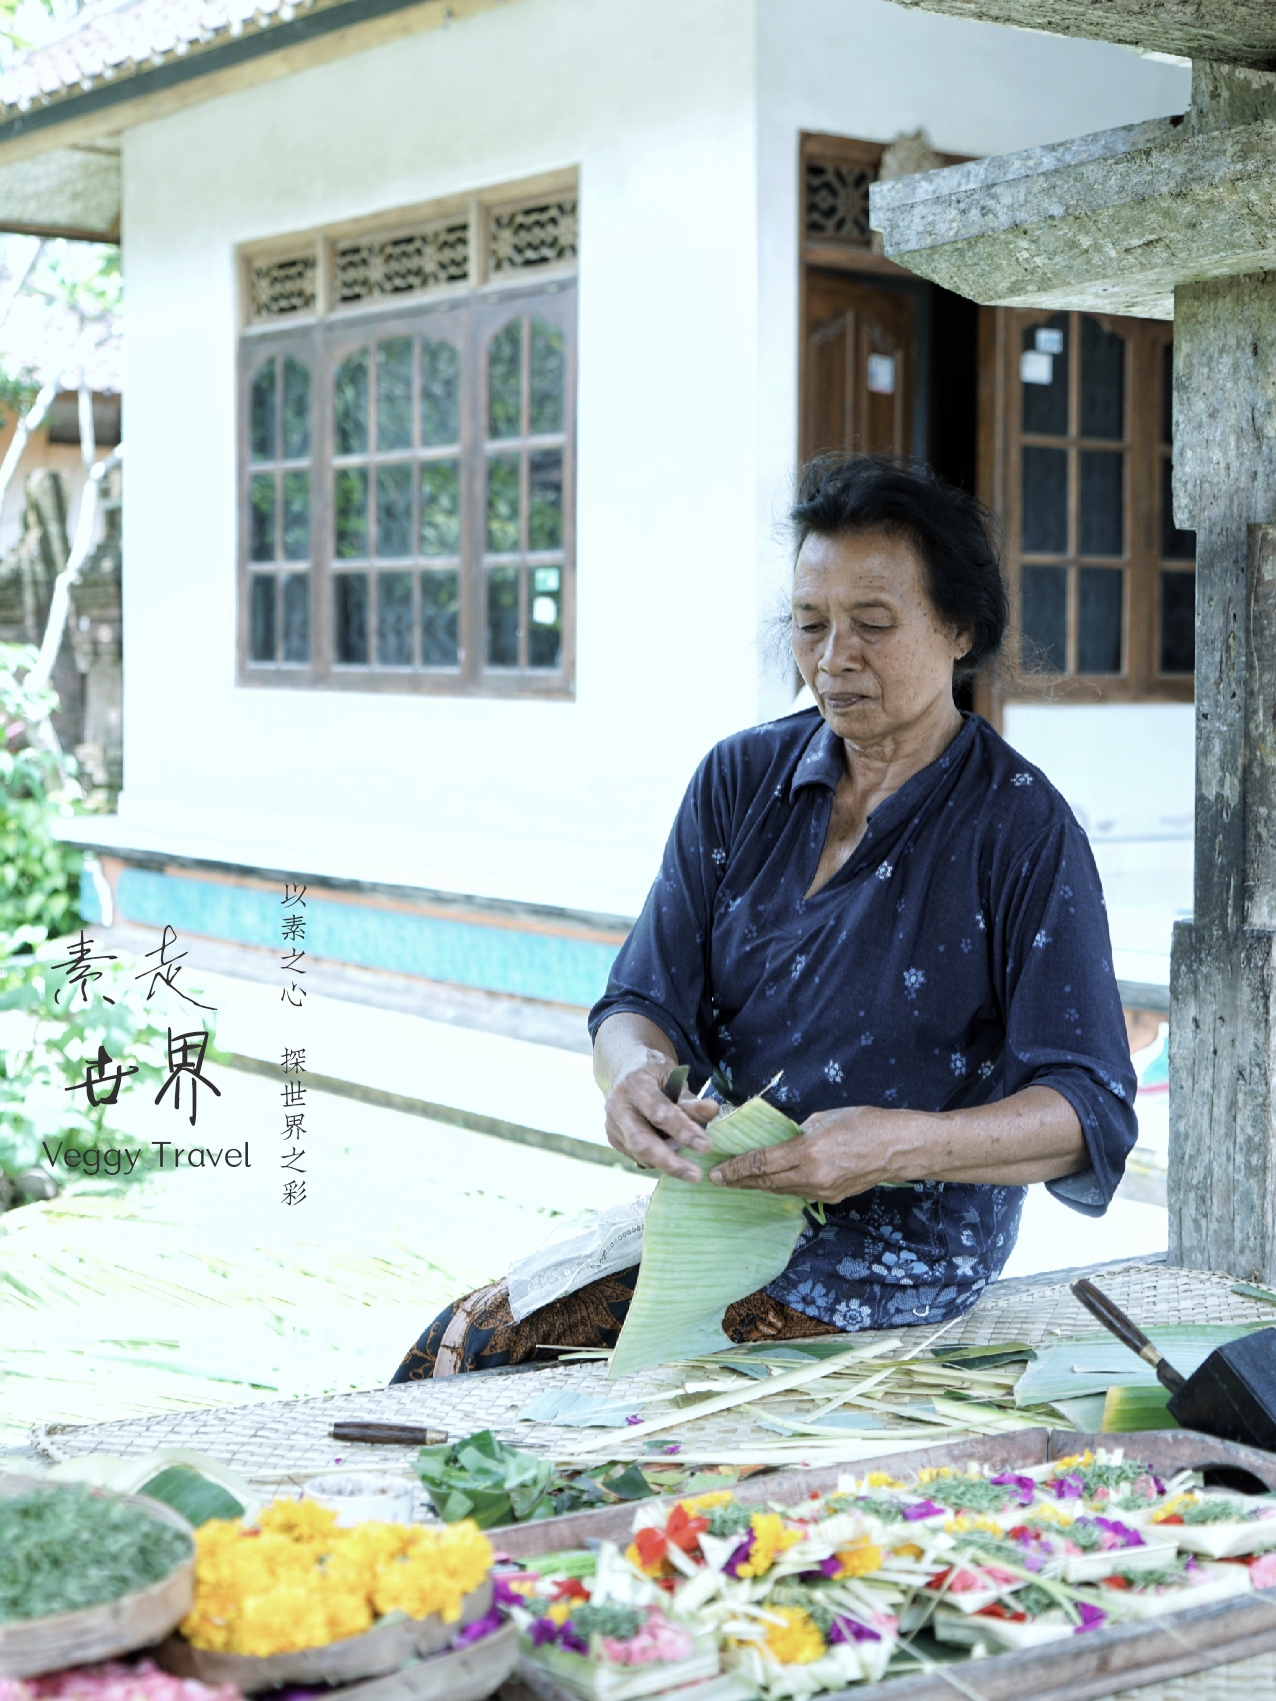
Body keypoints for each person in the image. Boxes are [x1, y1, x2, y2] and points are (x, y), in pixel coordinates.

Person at [390, 454, 1137, 1381]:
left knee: (662, 1381)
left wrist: (892, 1145)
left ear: (959, 628)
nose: (833, 659)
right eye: (811, 624)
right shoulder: (740, 780)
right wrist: (633, 1080)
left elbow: (1090, 1107)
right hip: (729, 1205)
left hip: (901, 1244)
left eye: (872, 624)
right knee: (457, 1354)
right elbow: (638, 1000)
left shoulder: (1021, 827)